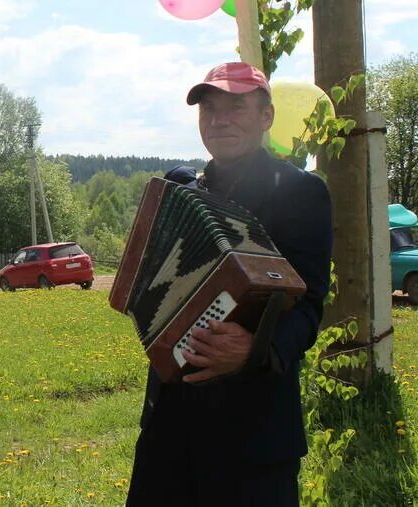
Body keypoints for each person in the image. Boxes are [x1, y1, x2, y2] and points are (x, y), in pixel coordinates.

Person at [126, 62, 333, 506]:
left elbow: (311, 305)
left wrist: (257, 348)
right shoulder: (179, 189)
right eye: (209, 109)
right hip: (170, 423)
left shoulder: (301, 193)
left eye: (235, 107)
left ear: (266, 117)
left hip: (253, 430)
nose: (219, 120)